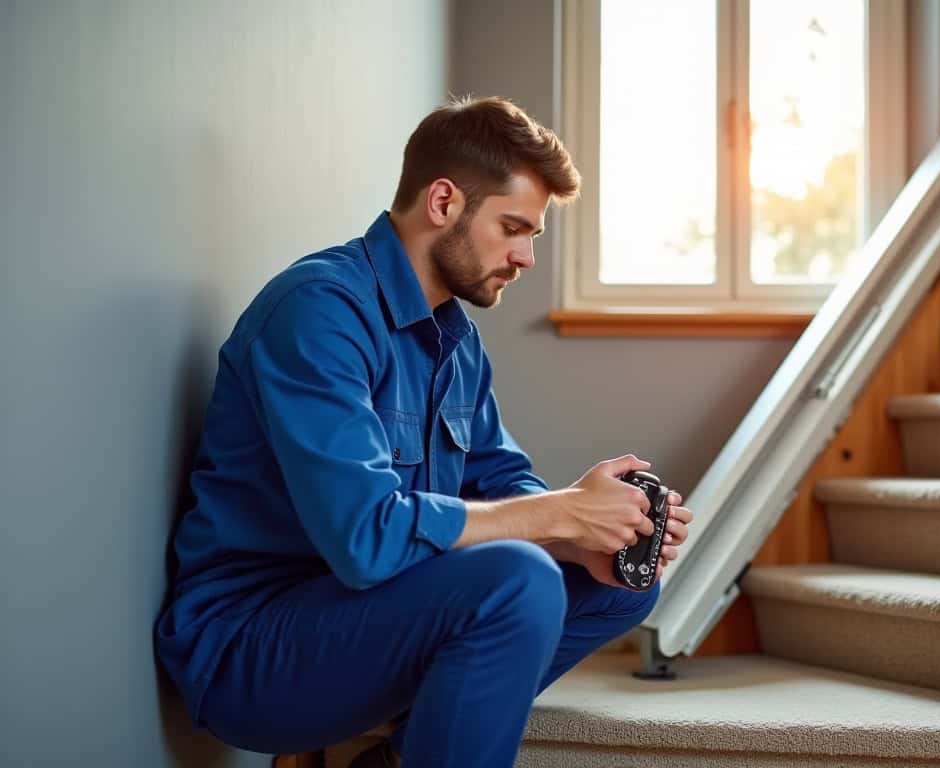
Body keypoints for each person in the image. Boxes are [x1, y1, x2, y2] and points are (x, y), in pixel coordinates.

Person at [153, 96, 694, 768]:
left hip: (363, 617)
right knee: (519, 578)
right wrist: (557, 515)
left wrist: (585, 533)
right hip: (249, 645)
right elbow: (366, 540)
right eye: (513, 227)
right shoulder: (318, 312)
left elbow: (499, 480)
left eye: (535, 235)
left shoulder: (456, 342)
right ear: (443, 203)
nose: (526, 257)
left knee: (619, 583)